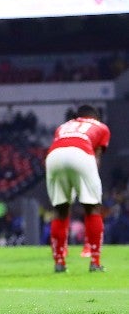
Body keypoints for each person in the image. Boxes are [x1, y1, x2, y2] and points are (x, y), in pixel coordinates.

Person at [46, 104, 110, 273]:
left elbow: (60, 145)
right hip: (81, 154)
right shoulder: (101, 127)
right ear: (94, 117)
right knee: (92, 208)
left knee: (60, 211)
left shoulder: (64, 126)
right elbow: (96, 157)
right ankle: (95, 262)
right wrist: (91, 185)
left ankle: (59, 263)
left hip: (54, 156)